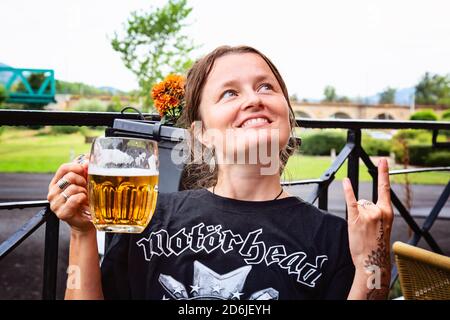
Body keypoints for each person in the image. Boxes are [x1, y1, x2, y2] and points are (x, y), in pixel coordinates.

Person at [47, 45, 393, 300]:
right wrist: (82, 234)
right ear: (200, 133)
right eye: (230, 93)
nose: (254, 99)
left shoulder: (336, 237)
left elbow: (372, 286)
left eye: (266, 87)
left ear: (287, 114)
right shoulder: (148, 215)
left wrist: (371, 262)